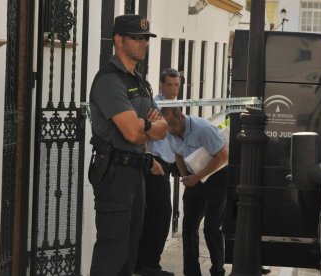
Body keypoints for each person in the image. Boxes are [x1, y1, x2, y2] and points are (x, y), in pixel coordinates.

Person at [88, 14, 168, 276]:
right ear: (118, 40)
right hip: (114, 174)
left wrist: (142, 124)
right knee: (113, 251)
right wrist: (146, 125)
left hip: (136, 172)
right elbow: (133, 134)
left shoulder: (140, 81)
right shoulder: (110, 80)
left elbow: (163, 128)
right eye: (138, 38)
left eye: (146, 38)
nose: (144, 43)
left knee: (130, 252)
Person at [161, 107, 228, 276]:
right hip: (194, 178)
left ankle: (218, 270)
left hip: (216, 177)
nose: (169, 129)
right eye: (166, 125)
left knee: (212, 227)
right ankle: (191, 272)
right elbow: (178, 155)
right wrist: (185, 177)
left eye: (172, 125)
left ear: (182, 118)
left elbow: (222, 157)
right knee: (189, 227)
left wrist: (197, 177)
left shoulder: (203, 129)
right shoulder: (170, 132)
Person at [135, 68, 181, 276]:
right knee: (160, 214)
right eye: (169, 85)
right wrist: (150, 158)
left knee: (158, 213)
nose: (173, 89)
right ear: (161, 85)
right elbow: (142, 131)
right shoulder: (155, 105)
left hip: (169, 163)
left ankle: (147, 262)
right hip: (155, 164)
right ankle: (148, 264)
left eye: (177, 85)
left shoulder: (176, 106)